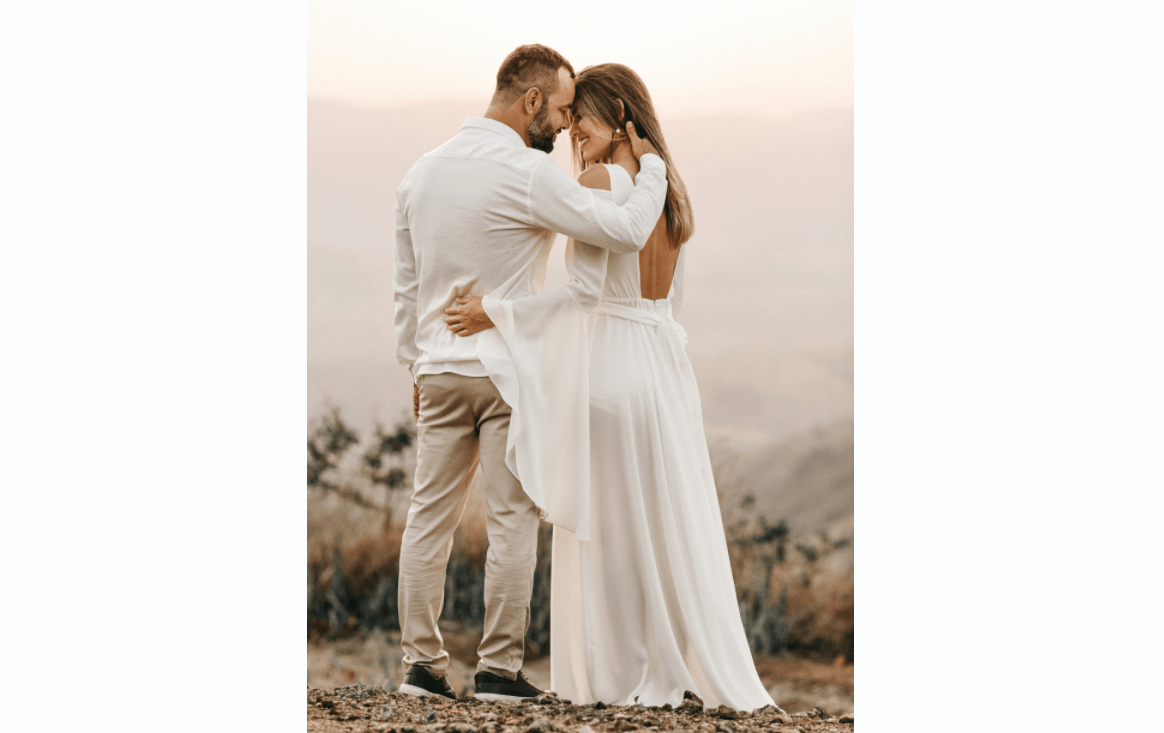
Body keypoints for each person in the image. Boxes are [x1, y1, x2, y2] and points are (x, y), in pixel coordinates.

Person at [443, 63, 778, 711]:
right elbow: (669, 302)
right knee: (661, 524)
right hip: (664, 369)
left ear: (619, 114)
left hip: (612, 365)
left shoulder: (602, 183)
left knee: (607, 530)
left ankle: (614, 673)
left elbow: (586, 295)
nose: (572, 135)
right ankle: (674, 664)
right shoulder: (672, 191)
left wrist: (498, 311)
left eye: (582, 120)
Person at [392, 45, 668, 702]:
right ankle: (496, 669)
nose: (566, 126)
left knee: (426, 517)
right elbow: (624, 232)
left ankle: (420, 667)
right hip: (504, 373)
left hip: (437, 369)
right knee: (511, 517)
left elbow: (406, 289)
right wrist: (650, 165)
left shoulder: (420, 174)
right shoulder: (528, 175)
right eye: (565, 108)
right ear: (533, 101)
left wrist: (416, 364)